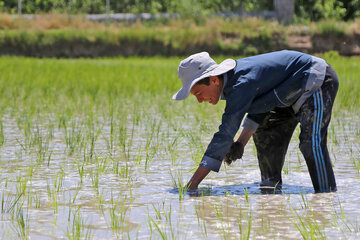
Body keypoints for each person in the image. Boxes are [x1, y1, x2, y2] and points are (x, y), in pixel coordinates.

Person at [172, 50, 339, 193]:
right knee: (265, 134)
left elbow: (224, 134)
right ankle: (270, 191)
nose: (200, 100)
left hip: (315, 81)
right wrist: (240, 144)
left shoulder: (241, 83)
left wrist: (192, 185)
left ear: (214, 80)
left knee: (310, 143)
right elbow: (259, 108)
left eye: (199, 93)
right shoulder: (233, 84)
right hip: (286, 96)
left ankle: (326, 196)